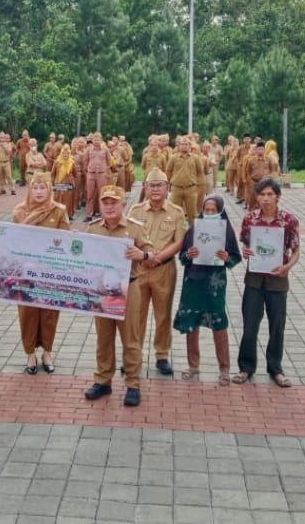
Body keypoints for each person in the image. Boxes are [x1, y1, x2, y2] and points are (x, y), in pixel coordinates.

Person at [84, 185, 153, 407]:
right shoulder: (93, 228)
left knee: (130, 339)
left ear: (124, 204)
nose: (109, 206)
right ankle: (103, 380)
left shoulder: (134, 229)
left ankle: (133, 384)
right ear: (100, 205)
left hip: (129, 289)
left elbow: (152, 256)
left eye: (114, 202)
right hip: (102, 291)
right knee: (103, 337)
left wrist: (142, 254)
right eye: (105, 202)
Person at [232, 177, 301, 388]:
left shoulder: (289, 220)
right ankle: (246, 367)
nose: (266, 199)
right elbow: (244, 240)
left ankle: (275, 369)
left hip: (278, 279)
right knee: (250, 324)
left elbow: (296, 250)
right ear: (256, 197)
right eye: (262, 194)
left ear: (278, 196)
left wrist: (287, 267)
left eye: (270, 194)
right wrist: (245, 250)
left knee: (277, 325)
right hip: (254, 278)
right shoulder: (250, 218)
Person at [175, 194, 242, 384]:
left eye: (214, 210)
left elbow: (236, 257)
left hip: (215, 284)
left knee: (218, 322)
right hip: (193, 282)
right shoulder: (194, 229)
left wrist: (226, 257)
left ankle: (224, 369)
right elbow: (181, 258)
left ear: (220, 211)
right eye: (207, 210)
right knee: (191, 321)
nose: (210, 213)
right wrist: (189, 254)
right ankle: (193, 365)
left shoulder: (226, 231)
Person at [128, 168, 188, 376]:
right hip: (139, 270)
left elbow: (180, 241)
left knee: (163, 314)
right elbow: (128, 238)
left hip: (164, 270)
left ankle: (162, 355)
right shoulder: (135, 211)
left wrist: (157, 257)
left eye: (159, 185)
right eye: (151, 185)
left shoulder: (176, 212)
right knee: (137, 316)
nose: (155, 189)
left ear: (167, 188)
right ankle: (134, 355)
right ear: (144, 188)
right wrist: (144, 258)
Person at [12, 173, 71, 374]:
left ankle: (47, 351)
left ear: (49, 190)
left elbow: (66, 241)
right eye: (35, 188)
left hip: (50, 273)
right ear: (29, 189)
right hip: (26, 272)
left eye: (43, 187)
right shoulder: (20, 211)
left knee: (49, 313)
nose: (39, 192)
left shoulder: (59, 210)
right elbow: (13, 241)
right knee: (27, 313)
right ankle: (30, 354)